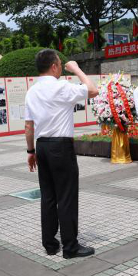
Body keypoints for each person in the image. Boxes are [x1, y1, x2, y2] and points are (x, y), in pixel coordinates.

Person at [25, 51, 99, 259]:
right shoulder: (61, 87)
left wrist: (30, 151)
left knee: (48, 196)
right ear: (54, 66)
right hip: (61, 146)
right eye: (59, 63)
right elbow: (93, 90)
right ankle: (70, 247)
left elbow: (28, 126)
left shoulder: (31, 91)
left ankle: (50, 244)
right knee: (66, 196)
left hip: (41, 146)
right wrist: (76, 69)